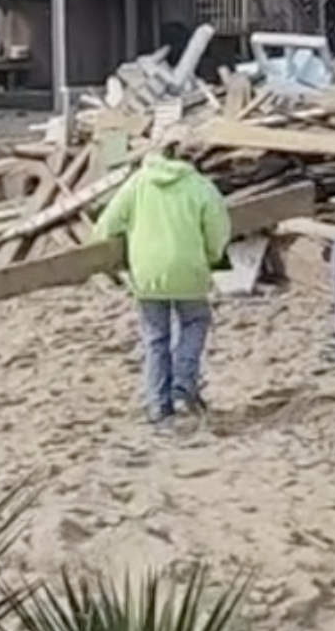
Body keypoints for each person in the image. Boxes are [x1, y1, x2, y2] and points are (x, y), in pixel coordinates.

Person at [92, 146, 233, 423]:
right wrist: (211, 256)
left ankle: (158, 405)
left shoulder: (137, 183)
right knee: (195, 322)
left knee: (156, 337)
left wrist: (115, 253)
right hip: (189, 270)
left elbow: (106, 226)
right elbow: (218, 230)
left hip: (147, 273)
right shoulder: (200, 186)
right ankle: (183, 388)